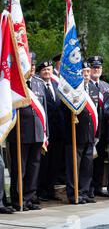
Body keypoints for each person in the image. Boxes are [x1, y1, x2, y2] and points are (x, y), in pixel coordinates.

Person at [7, 66, 48, 211]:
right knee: (19, 168)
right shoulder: (13, 84)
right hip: (20, 134)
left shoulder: (39, 83)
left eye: (33, 65)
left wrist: (45, 132)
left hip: (37, 133)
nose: (31, 68)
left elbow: (44, 110)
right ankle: (18, 199)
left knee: (34, 167)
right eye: (28, 65)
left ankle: (29, 198)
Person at [62, 61, 99, 204]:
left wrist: (97, 134)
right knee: (74, 168)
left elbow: (97, 113)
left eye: (88, 72)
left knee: (86, 167)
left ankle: (84, 192)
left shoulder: (93, 89)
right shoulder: (71, 90)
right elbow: (63, 112)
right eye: (84, 72)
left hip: (90, 135)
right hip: (74, 135)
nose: (86, 75)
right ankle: (74, 194)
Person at [37, 60, 65, 201]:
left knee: (55, 162)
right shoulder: (38, 86)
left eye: (49, 69)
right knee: (44, 163)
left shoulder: (56, 85)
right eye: (44, 70)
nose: (47, 72)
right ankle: (41, 190)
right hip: (45, 131)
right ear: (40, 72)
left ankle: (51, 189)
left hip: (58, 131)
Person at [87, 55, 109, 197]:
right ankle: (88, 188)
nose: (96, 70)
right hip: (89, 129)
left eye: (99, 67)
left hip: (104, 129)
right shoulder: (84, 84)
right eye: (94, 67)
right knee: (89, 160)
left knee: (100, 159)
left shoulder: (105, 86)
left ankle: (98, 186)